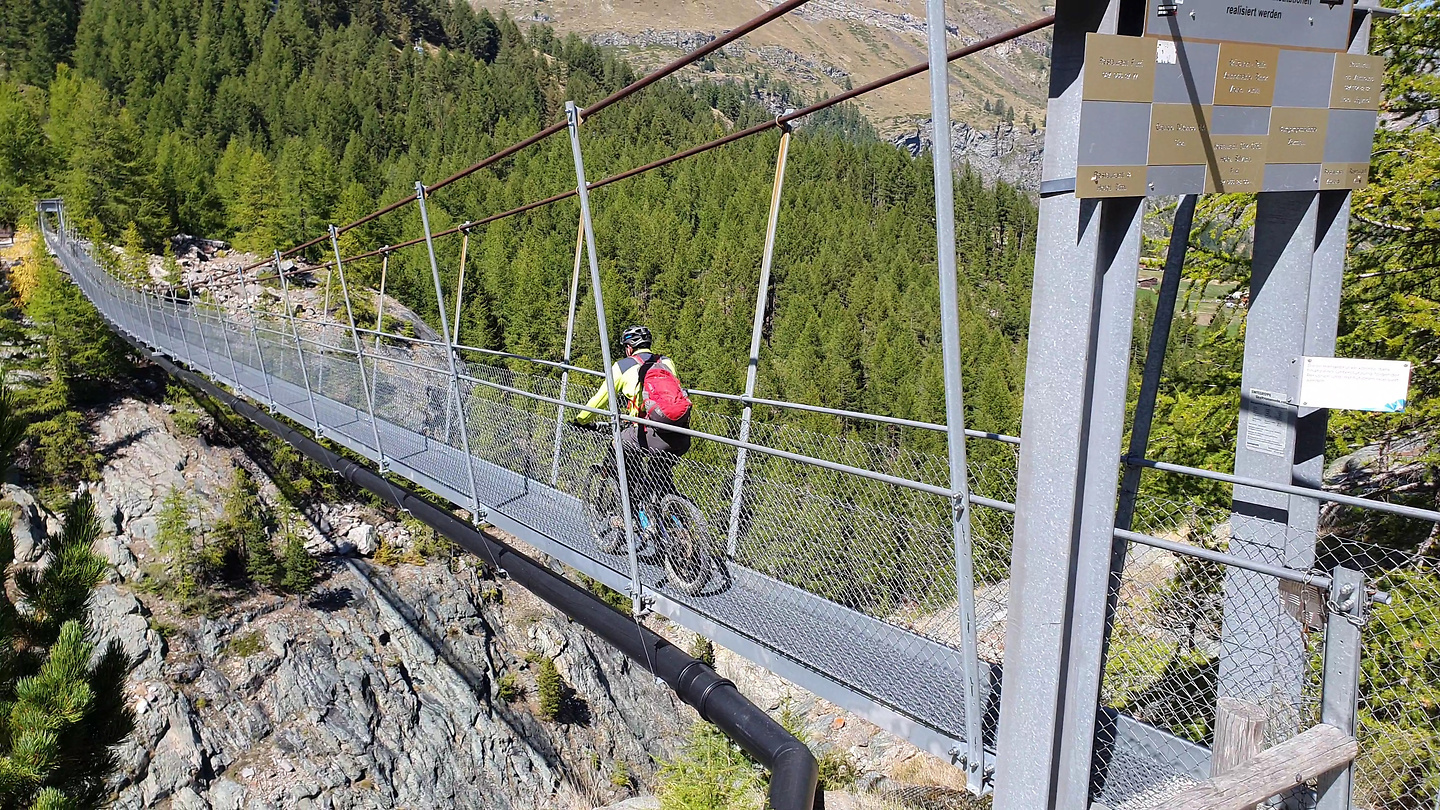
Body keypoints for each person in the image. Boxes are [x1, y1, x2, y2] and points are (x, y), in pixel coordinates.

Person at [574, 325, 693, 498]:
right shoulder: (666, 362)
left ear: (629, 348)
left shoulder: (622, 367)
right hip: (680, 433)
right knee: (658, 472)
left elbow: (598, 401)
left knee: (619, 445)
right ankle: (671, 508)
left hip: (649, 433)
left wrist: (581, 420)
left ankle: (631, 513)